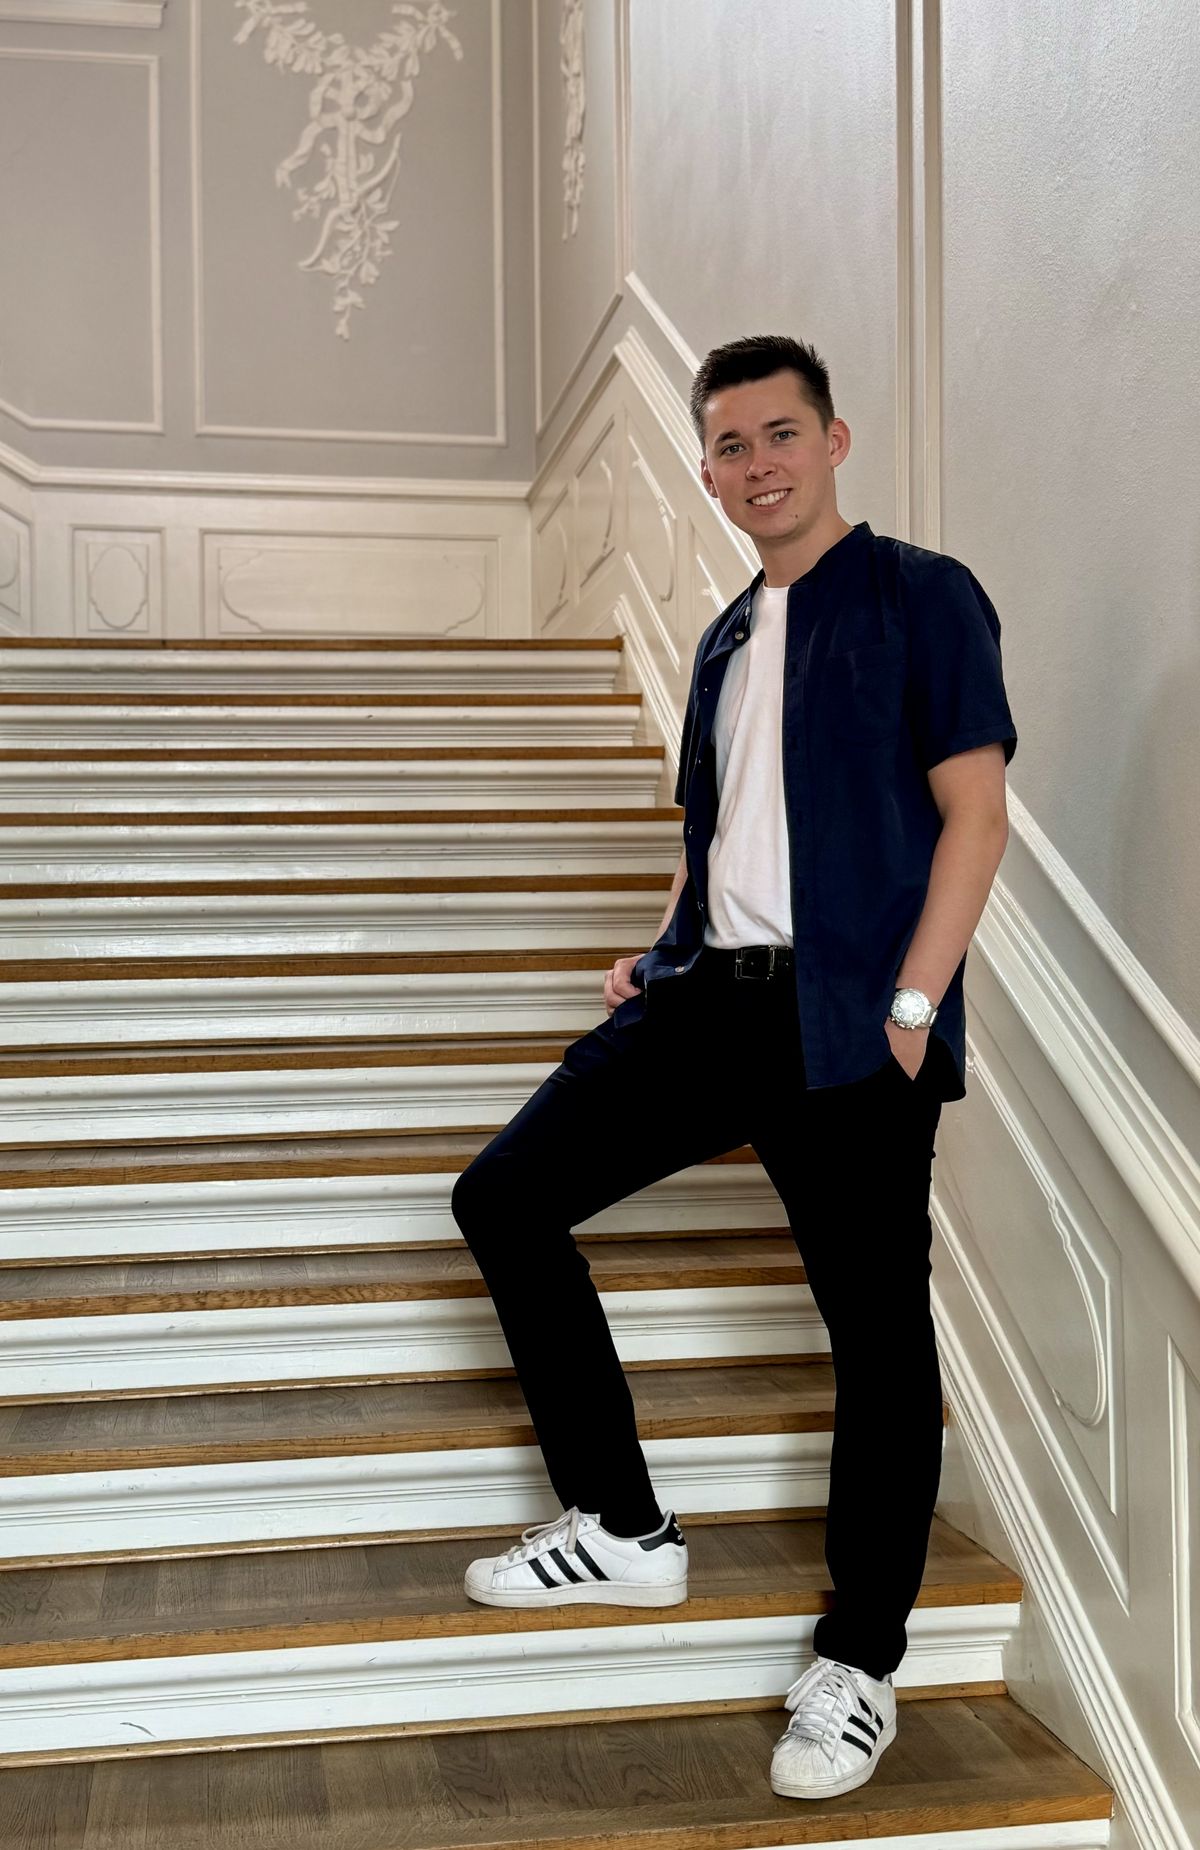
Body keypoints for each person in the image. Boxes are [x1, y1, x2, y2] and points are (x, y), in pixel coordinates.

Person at [450, 333, 1018, 1801]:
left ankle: (861, 1659)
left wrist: (913, 1002)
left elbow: (975, 814)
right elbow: (714, 840)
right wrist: (660, 949)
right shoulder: (718, 641)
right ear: (703, 470)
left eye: (780, 434)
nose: (756, 464)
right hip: (714, 998)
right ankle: (623, 1524)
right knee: (503, 1197)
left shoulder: (920, 596)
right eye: (729, 445)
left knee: (876, 1334)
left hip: (854, 1020)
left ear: (834, 441)